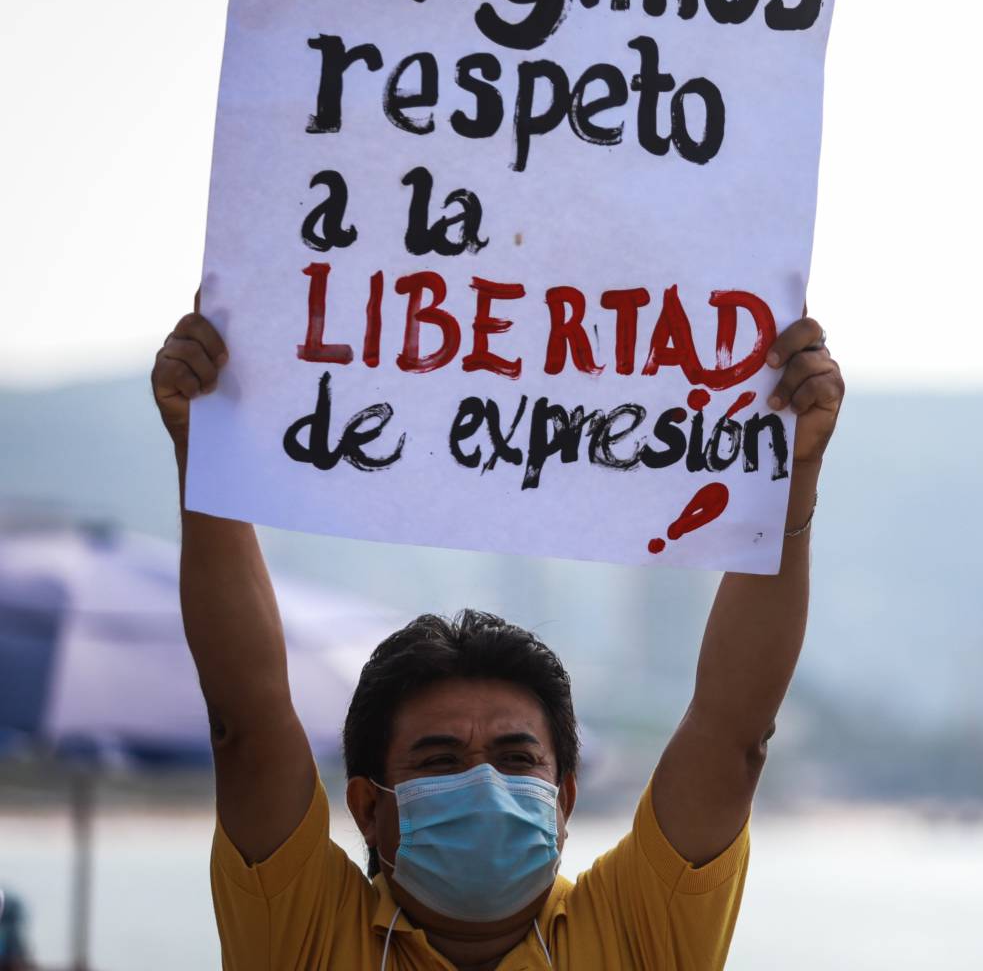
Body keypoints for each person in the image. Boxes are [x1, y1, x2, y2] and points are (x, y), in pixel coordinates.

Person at [151, 302, 843, 970]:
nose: (484, 783)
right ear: (367, 807)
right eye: (440, 762)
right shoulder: (299, 930)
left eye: (516, 760)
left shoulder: (639, 928)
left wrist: (792, 474)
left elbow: (734, 734)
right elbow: (247, 723)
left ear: (565, 798)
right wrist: (205, 455)